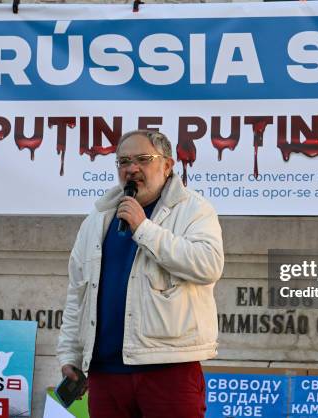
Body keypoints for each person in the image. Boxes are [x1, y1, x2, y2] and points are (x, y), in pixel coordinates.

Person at [56, 129, 224, 418]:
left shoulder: (194, 210)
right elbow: (78, 293)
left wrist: (143, 229)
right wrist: (71, 354)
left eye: (143, 159)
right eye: (123, 162)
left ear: (168, 165)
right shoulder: (99, 217)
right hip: (105, 372)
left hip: (168, 369)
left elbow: (208, 265)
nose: (132, 169)